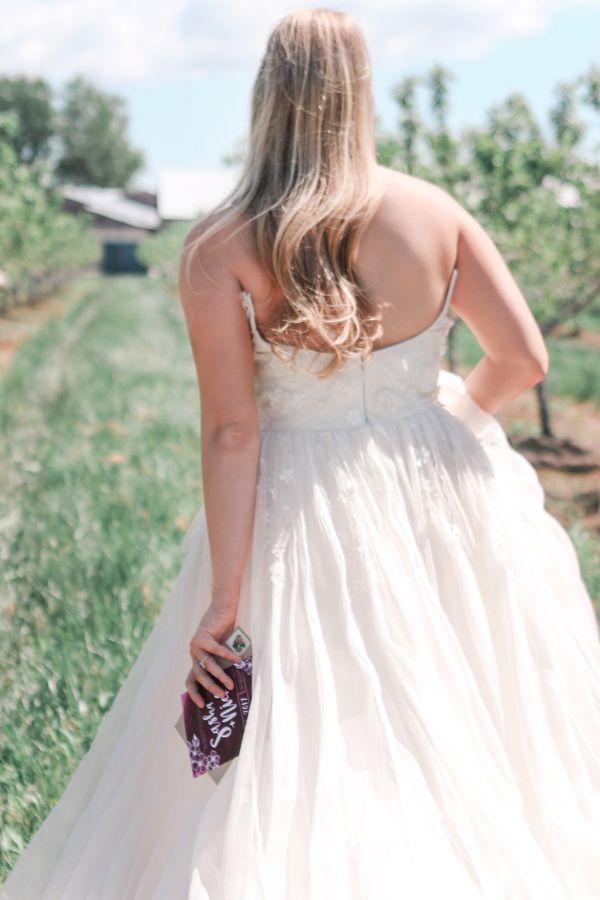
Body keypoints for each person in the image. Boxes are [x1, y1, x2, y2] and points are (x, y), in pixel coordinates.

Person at [2, 7, 600, 899]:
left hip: (296, 501)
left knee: (311, 725)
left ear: (265, 95)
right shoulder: (436, 213)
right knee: (463, 709)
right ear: (362, 94)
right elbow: (525, 360)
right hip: (441, 489)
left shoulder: (222, 243)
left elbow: (234, 430)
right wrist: (448, 414)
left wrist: (226, 602)